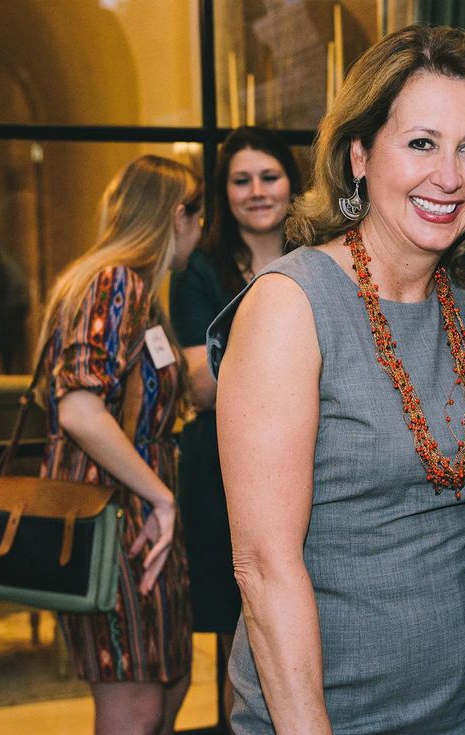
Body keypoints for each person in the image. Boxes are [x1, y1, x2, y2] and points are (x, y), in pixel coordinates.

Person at [209, 24, 465, 734]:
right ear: (359, 155)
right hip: (332, 718)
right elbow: (262, 565)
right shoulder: (293, 304)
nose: (449, 175)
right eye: (421, 143)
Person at [35, 155, 201, 735]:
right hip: (115, 523)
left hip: (135, 523)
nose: (198, 235)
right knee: (136, 706)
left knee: (168, 684)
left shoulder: (134, 291)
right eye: (196, 220)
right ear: (179, 216)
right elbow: (79, 407)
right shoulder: (116, 283)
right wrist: (162, 498)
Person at [169, 125, 302, 724]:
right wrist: (300, 372)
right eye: (240, 181)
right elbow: (200, 384)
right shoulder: (200, 268)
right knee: (238, 627)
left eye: (268, 176)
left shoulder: (321, 255)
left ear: (291, 183)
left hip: (311, 459)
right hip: (221, 470)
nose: (256, 192)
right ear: (224, 194)